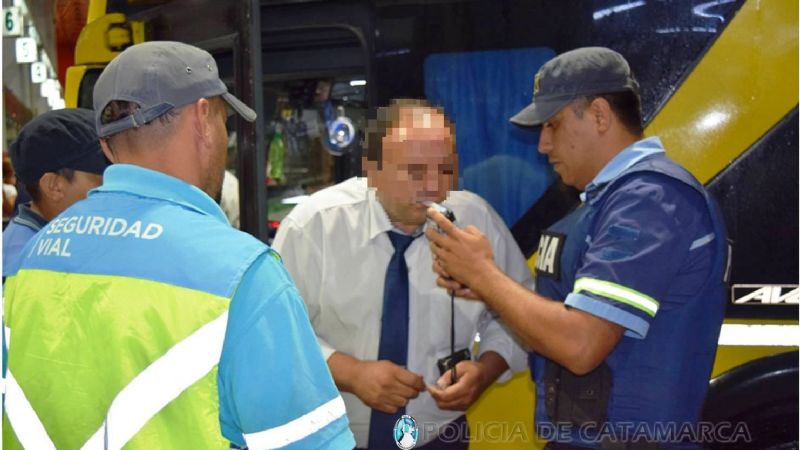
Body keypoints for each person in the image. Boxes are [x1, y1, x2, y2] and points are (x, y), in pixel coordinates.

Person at [3, 41, 354, 450]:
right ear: (203, 117)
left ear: (105, 145)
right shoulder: (244, 276)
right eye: (225, 121)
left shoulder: (31, 259)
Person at [426, 47, 728, 449]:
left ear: (600, 115)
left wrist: (485, 275)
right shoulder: (606, 204)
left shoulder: (650, 199)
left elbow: (581, 344)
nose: (542, 145)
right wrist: (486, 288)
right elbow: (562, 320)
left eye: (552, 125)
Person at [272, 99, 532, 449]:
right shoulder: (313, 227)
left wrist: (486, 370)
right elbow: (276, 333)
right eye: (414, 171)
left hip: (440, 437)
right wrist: (351, 373)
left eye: (444, 170)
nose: (433, 188)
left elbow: (518, 314)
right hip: (333, 438)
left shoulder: (474, 220)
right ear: (371, 169)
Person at [3, 108, 109, 278]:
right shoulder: (20, 267)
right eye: (104, 177)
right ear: (54, 186)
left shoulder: (55, 240)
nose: (115, 186)